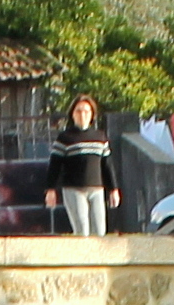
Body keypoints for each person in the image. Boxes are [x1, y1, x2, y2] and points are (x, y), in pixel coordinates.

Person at [45, 95, 119, 235]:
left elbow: (107, 164)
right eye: (78, 111)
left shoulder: (100, 137)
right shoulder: (65, 138)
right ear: (72, 114)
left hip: (96, 189)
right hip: (74, 189)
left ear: (92, 114)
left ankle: (97, 257)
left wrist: (113, 189)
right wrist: (50, 189)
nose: (82, 115)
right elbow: (55, 165)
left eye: (86, 111)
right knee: (82, 231)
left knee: (99, 231)